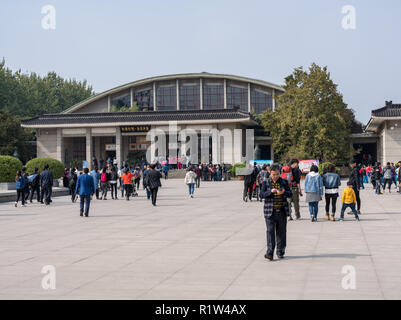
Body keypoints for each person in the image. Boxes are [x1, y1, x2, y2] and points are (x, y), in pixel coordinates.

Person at [259, 164, 292, 261]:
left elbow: (290, 194)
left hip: (281, 211)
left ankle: (280, 251)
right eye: (273, 174)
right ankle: (269, 252)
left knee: (281, 232)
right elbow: (261, 195)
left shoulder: (284, 182)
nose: (275, 176)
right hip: (269, 212)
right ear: (270, 173)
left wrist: (283, 193)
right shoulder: (266, 182)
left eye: (277, 174)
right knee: (270, 232)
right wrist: (270, 191)